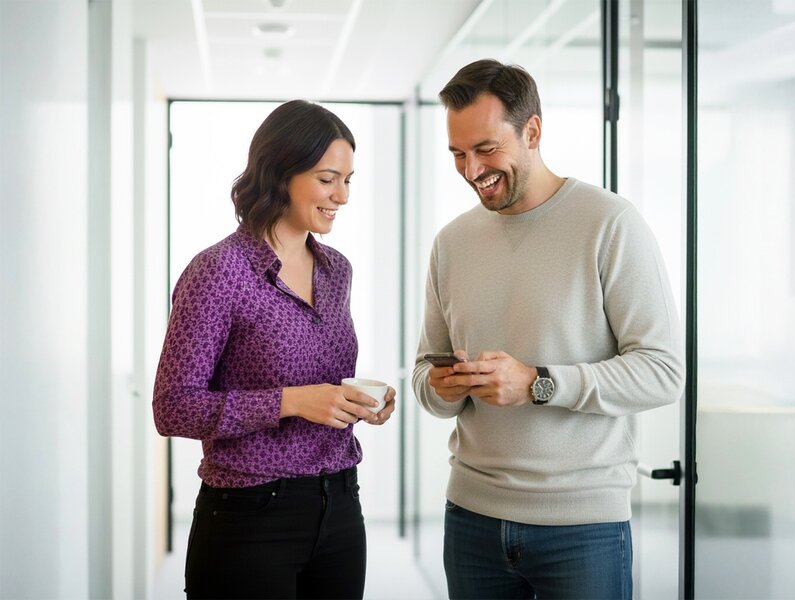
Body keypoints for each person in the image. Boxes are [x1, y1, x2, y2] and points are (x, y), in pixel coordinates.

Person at [412, 59, 685, 599]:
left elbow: (662, 372)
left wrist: (538, 381)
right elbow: (427, 369)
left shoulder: (610, 224)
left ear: (532, 131)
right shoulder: (452, 243)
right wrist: (439, 389)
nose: (471, 169)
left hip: (584, 528)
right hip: (470, 517)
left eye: (486, 149)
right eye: (458, 154)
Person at [153, 99, 395, 600]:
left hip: (341, 503)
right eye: (329, 178)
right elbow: (172, 408)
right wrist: (290, 401)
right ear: (281, 172)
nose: (342, 196)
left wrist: (357, 402)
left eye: (349, 180)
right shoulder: (218, 271)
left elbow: (323, 378)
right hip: (248, 516)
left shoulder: (337, 270)